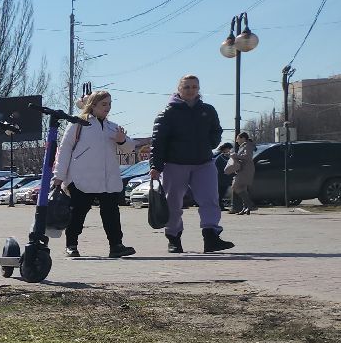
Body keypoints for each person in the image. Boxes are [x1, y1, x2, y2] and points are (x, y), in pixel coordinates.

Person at [150, 74, 233, 253]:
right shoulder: (167, 113)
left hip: (204, 163)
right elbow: (158, 141)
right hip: (175, 164)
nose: (191, 90)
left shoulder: (208, 110)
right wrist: (155, 166)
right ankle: (173, 238)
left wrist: (211, 142)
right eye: (186, 87)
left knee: (210, 200)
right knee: (173, 203)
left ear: (199, 89)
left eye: (194, 87)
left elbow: (216, 130)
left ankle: (211, 237)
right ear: (179, 89)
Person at [54, 90, 136, 259]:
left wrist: (122, 140)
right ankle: (71, 245)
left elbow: (129, 148)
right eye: (104, 104)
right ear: (93, 105)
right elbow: (64, 150)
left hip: (108, 180)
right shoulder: (77, 125)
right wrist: (59, 176)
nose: (108, 107)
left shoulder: (112, 127)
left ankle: (116, 246)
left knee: (111, 213)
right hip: (81, 179)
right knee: (78, 212)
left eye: (110, 104)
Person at [228, 132, 257, 215]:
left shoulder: (248, 145)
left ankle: (250, 205)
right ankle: (246, 208)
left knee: (235, 186)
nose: (237, 141)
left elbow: (247, 157)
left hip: (246, 169)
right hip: (243, 169)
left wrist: (235, 155)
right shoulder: (245, 145)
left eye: (238, 139)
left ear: (243, 138)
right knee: (243, 188)